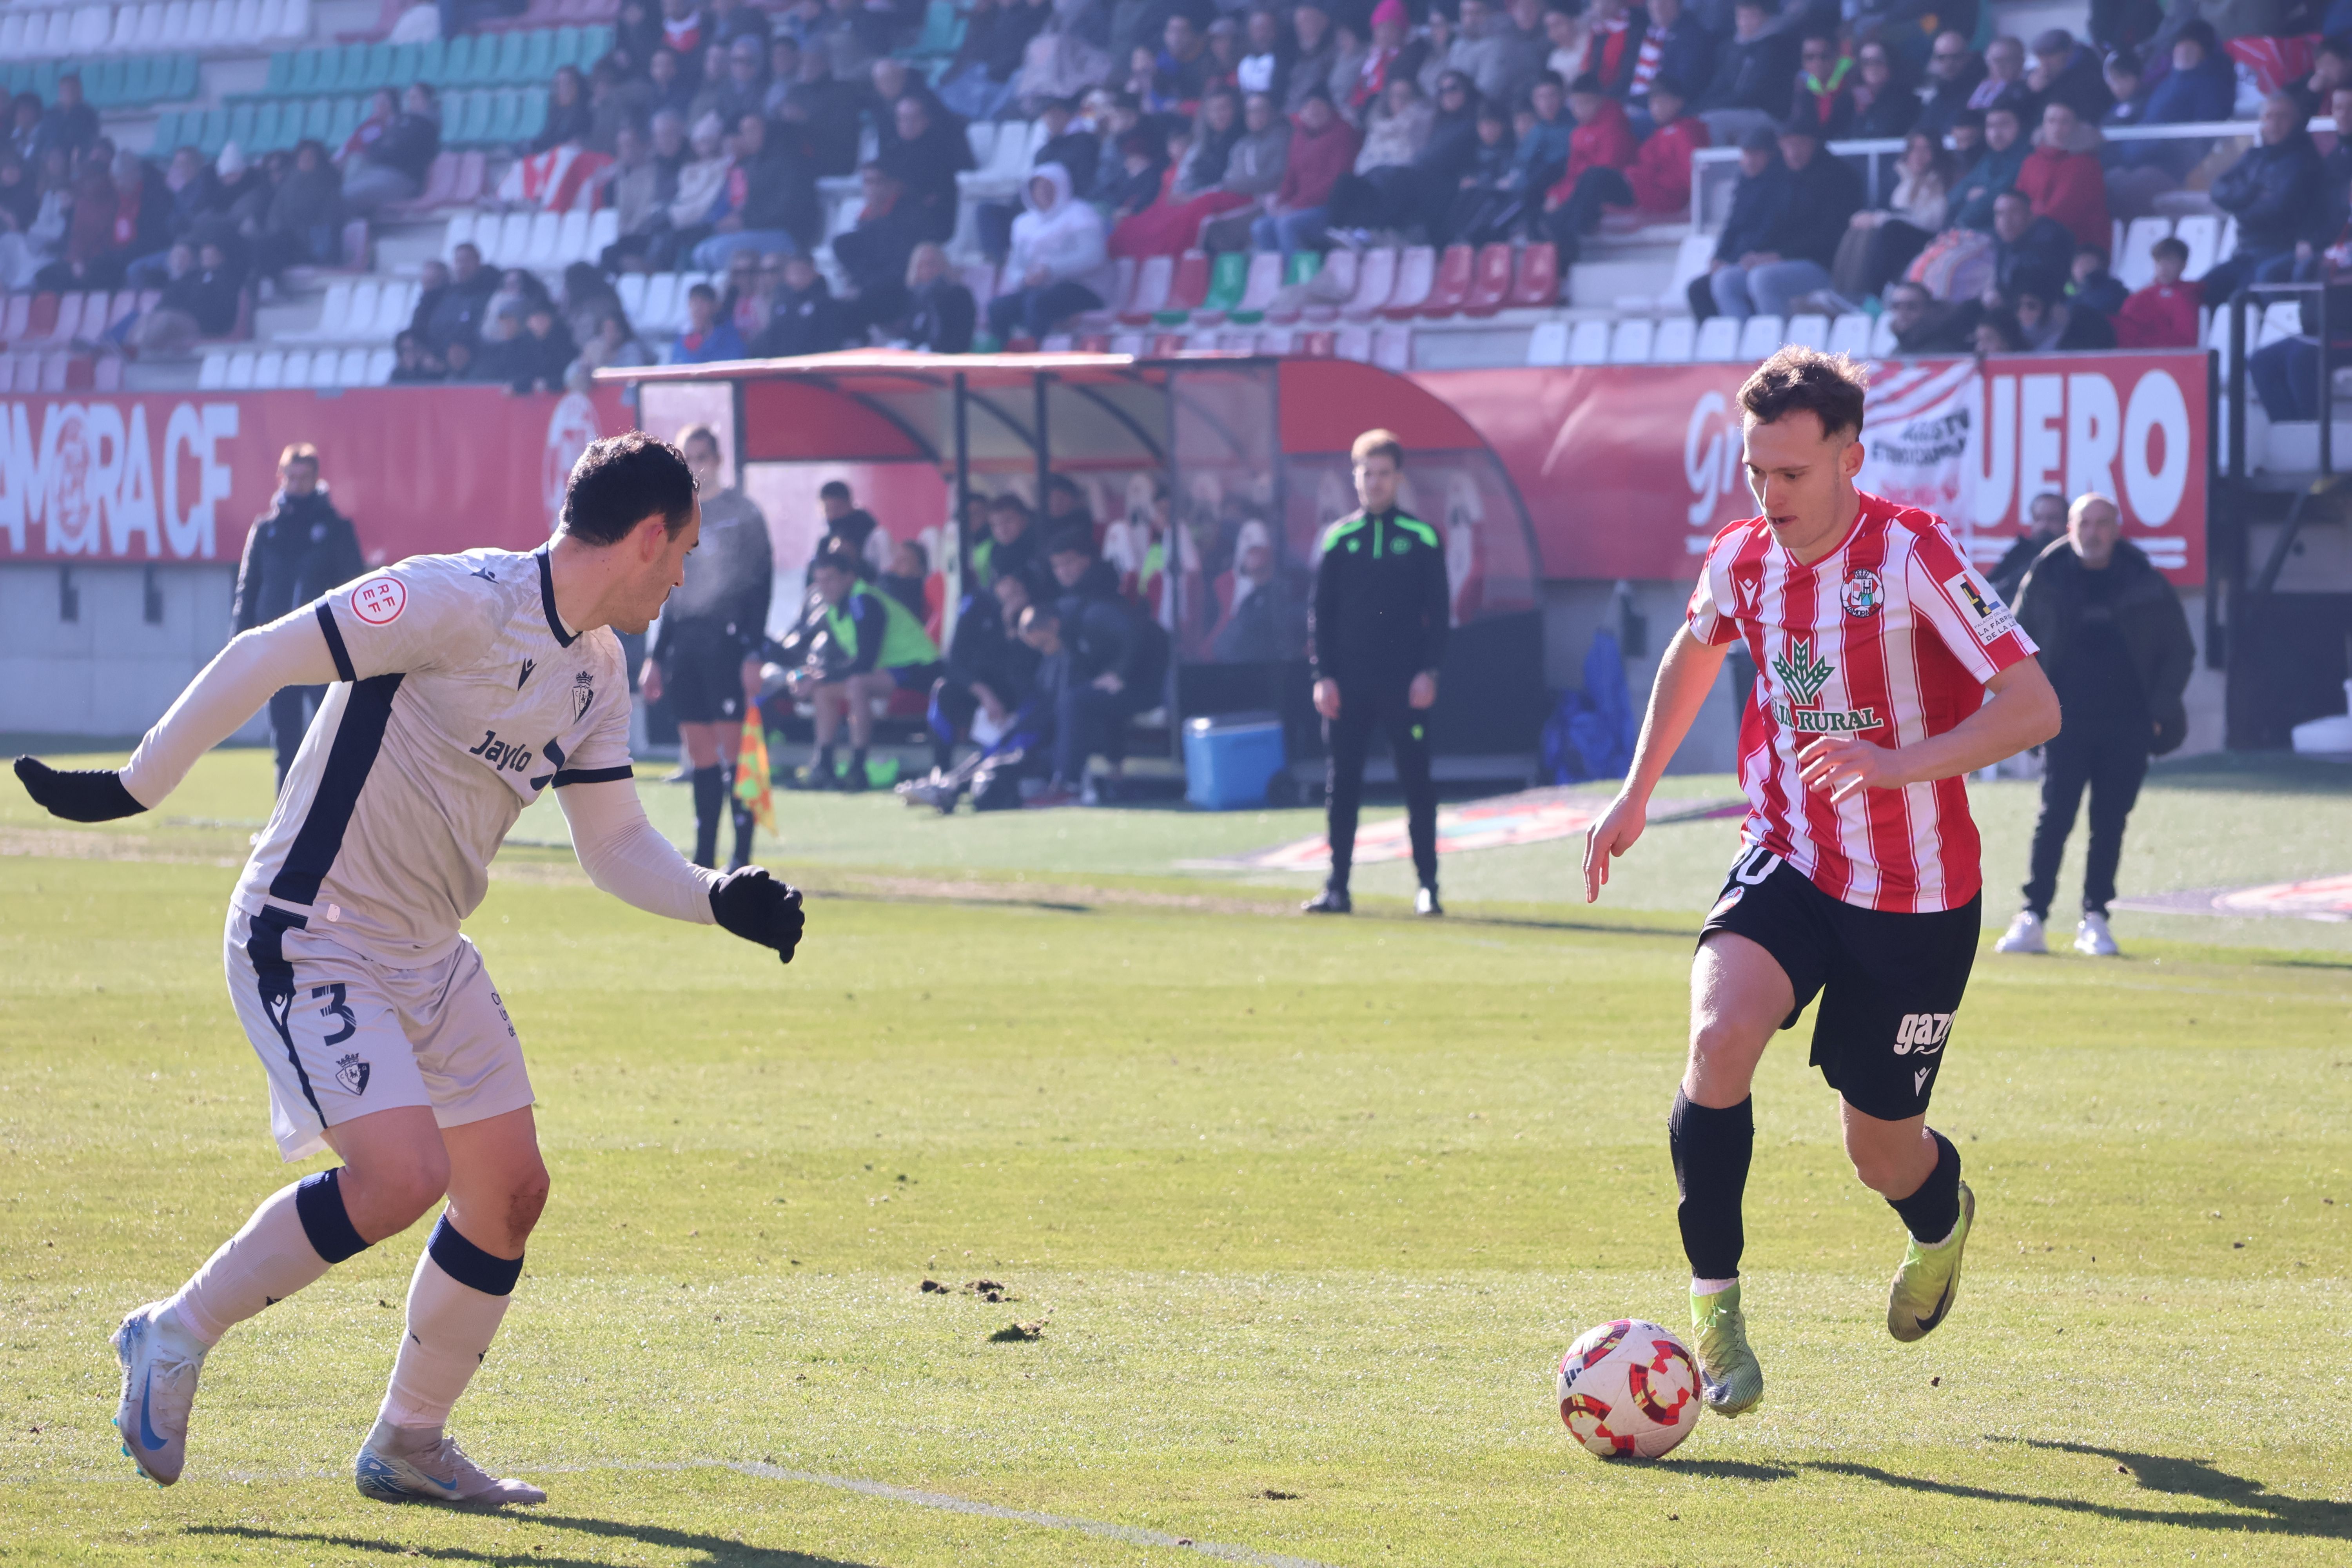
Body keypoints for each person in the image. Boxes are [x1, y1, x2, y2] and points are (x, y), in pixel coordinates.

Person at [15, 432, 806, 1504]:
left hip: (429, 954)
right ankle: (171, 1332)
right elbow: (265, 652)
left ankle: (409, 1442)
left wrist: (717, 896)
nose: (684, 577)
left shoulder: (599, 671)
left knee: (509, 1193)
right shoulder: (459, 599)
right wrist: (138, 786)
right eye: (683, 553)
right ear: (649, 536)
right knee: (402, 1177)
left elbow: (613, 844)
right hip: (309, 929)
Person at [1581, 347, 2061, 1422]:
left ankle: (1940, 1225)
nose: (1772, 495)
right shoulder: (1744, 558)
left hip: (1918, 896)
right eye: (1757, 473)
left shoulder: (1912, 554)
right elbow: (1692, 654)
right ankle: (1717, 1318)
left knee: (1879, 1147)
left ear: (1849, 455)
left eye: (1793, 473)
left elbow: (2035, 707)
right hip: (1793, 858)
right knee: (1716, 1042)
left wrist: (1897, 761)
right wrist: (1636, 791)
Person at [1997, 494, 2193, 958]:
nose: (2094, 532)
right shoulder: (2045, 576)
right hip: (2063, 724)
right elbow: (2016, 646)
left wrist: (2161, 711)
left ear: (2118, 527)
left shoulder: (2145, 580)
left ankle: (2096, 917)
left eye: (2103, 523)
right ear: (2070, 526)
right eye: (2086, 522)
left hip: (2128, 726)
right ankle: (2033, 916)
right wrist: (2026, 714)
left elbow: (2180, 651)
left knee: (2109, 823)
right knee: (2054, 819)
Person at [1303, 429, 1450, 918]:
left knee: (1417, 785)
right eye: (1367, 473)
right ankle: (1337, 887)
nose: (1375, 482)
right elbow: (1319, 614)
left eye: (1384, 473)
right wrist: (1323, 676)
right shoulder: (1339, 538)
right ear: (1355, 477)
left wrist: (1429, 671)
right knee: (1342, 785)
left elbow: (1440, 614)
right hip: (1348, 685)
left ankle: (1428, 886)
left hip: (1405, 685)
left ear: (1398, 478)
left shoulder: (1422, 537)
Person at [639, 426, 772, 869]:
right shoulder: (678, 516)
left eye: (703, 455)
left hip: (729, 645)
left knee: (736, 751)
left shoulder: (743, 513)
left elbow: (760, 587)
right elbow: (671, 593)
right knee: (699, 752)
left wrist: (755, 652)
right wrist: (656, 658)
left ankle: (742, 854)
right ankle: (704, 856)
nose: (696, 464)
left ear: (718, 459)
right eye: (688, 456)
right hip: (686, 648)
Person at [230, 445, 365, 795]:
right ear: (281, 478)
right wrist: (239, 645)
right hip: (276, 651)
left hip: (323, 651)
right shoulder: (265, 530)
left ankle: (333, 822)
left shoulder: (336, 529)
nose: (297, 484)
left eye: (304, 478)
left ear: (317, 479)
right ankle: (283, 833)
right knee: (285, 746)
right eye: (291, 477)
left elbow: (355, 591)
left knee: (332, 742)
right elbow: (248, 592)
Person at [787, 549, 942, 790]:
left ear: (849, 578)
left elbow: (864, 663)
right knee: (823, 690)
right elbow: (816, 657)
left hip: (922, 670)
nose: (824, 587)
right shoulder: (833, 608)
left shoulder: (864, 601)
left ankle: (858, 768)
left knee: (857, 684)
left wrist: (821, 675)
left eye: (831, 580)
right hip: (889, 672)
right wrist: (803, 676)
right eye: (819, 581)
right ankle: (824, 764)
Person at [2201, 93, 2323, 301]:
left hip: (2278, 254)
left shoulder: (2305, 162)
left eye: (2282, 117)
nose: (2274, 123)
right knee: (2200, 291)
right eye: (2269, 117)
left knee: (2242, 299)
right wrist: (2250, 193)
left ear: (2296, 122)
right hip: (2244, 255)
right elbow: (2218, 189)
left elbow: (2275, 209)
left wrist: (2237, 206)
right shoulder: (2254, 156)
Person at [989, 163, 1114, 341]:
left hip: (1084, 288)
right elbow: (1015, 265)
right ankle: (1004, 358)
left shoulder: (1081, 213)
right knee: (998, 307)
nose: (1043, 193)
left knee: (1038, 303)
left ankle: (1037, 361)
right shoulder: (1023, 223)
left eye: (1049, 187)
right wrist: (1023, 279)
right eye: (1037, 188)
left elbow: (1093, 256)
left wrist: (1050, 269)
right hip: (1039, 289)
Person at [1988, 490, 2066, 602]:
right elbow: (1990, 587)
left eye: (2052, 519)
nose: (2044, 525)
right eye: (2038, 519)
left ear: (2067, 521)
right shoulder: (2020, 553)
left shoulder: (2075, 556)